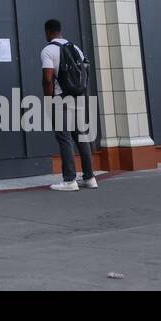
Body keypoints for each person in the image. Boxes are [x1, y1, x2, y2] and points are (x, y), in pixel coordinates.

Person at [41, 18, 97, 192]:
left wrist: (48, 100)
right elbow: (85, 72)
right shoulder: (76, 48)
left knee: (64, 137)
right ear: (60, 30)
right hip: (79, 97)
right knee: (82, 137)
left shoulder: (48, 50)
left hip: (61, 98)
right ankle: (89, 178)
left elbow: (48, 78)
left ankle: (69, 180)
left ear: (48, 32)